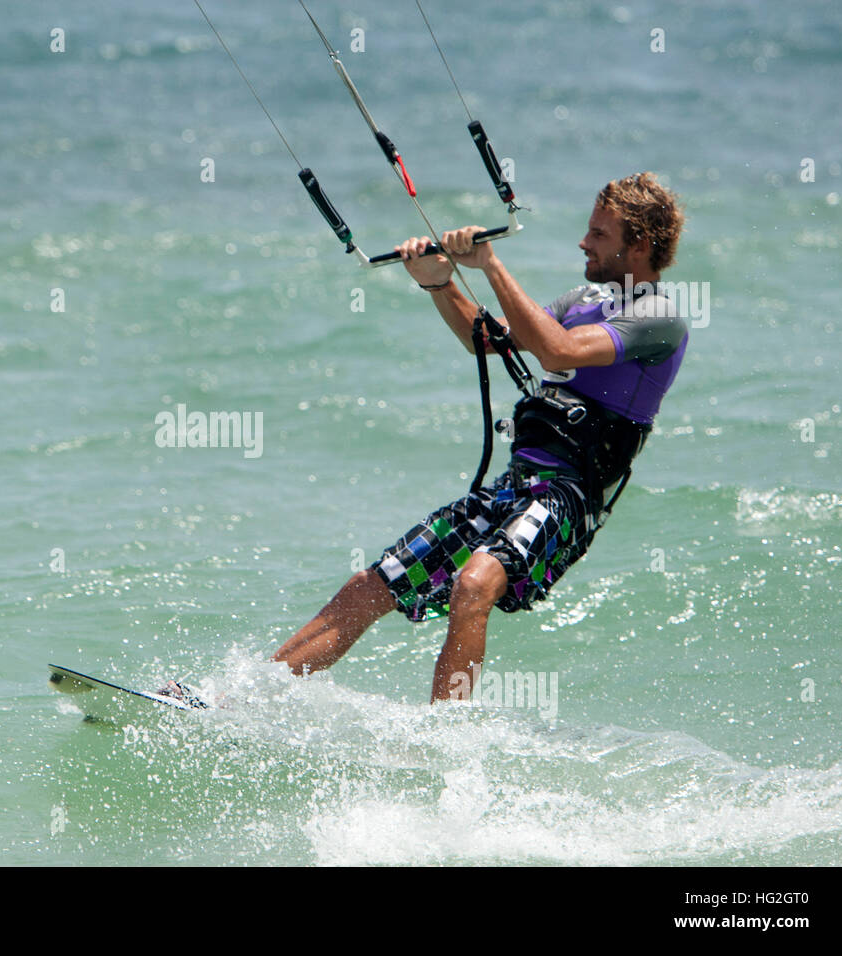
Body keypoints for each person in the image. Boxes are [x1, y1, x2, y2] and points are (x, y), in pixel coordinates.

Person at [270, 172, 688, 702]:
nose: (583, 242)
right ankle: (238, 700)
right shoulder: (580, 300)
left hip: (568, 498)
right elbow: (490, 342)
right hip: (513, 487)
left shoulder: (658, 317)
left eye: (599, 235)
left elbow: (557, 351)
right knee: (373, 583)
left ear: (640, 245)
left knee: (474, 584)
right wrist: (438, 283)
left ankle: (448, 740)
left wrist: (489, 263)